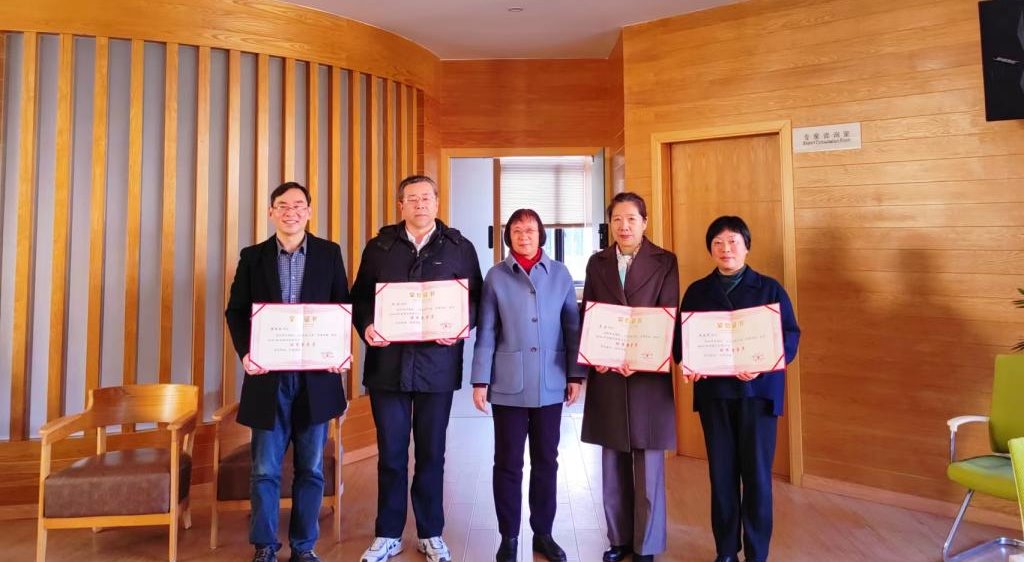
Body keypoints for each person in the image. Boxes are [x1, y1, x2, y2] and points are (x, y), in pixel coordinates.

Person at [352, 175, 483, 562]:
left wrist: (461, 324)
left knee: (432, 454)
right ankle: (388, 533)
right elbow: (360, 298)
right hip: (387, 367)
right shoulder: (379, 247)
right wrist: (367, 326)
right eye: (412, 198)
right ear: (401, 205)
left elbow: (476, 298)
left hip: (437, 367)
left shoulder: (460, 247)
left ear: (437, 203)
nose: (420, 204)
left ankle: (430, 533)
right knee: (391, 454)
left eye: (427, 198)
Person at [224, 181, 350, 562]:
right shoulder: (253, 257)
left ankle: (303, 547)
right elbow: (236, 311)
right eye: (282, 206)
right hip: (268, 379)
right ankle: (264, 546)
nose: (290, 212)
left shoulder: (329, 253)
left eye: (298, 205)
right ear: (271, 212)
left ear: (309, 212)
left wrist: (337, 351)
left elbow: (341, 308)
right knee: (264, 469)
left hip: (317, 378)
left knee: (311, 468)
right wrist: (246, 353)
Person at [676, 216, 800, 562]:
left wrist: (763, 363)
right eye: (718, 243)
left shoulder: (770, 289)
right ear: (710, 250)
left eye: (733, 242)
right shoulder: (697, 291)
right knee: (722, 476)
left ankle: (757, 554)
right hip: (715, 397)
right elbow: (682, 342)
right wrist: (689, 362)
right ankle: (726, 550)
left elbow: (790, 336)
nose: (725, 249)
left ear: (746, 247)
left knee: (757, 478)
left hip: (758, 396)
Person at [470, 209, 585, 562]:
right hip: (508, 384)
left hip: (551, 380)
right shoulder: (496, 276)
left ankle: (543, 534)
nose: (524, 236)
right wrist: (480, 380)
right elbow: (487, 330)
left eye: (530, 230)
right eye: (517, 230)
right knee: (507, 462)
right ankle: (508, 536)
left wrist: (576, 375)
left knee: (547, 460)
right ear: (508, 236)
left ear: (541, 234)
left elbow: (572, 328)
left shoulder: (561, 274)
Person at [580, 192, 680, 562]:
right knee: (612, 462)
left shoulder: (665, 261)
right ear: (610, 224)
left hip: (647, 374)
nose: (624, 226)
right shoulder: (597, 262)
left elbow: (667, 314)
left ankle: (647, 545)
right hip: (608, 372)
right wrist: (597, 355)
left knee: (648, 463)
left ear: (644, 222)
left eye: (632, 219)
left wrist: (639, 355)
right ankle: (619, 539)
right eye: (618, 220)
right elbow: (589, 314)